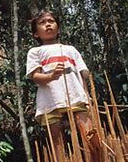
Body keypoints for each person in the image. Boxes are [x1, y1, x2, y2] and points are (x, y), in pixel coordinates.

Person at [26, 10, 93, 154]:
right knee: (57, 141)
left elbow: (81, 75)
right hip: (50, 100)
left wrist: (87, 97)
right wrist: (52, 76)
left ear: (58, 28)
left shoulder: (70, 50)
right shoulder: (35, 52)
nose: (48, 25)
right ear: (36, 34)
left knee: (90, 135)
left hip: (76, 96)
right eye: (42, 23)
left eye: (51, 21)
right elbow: (35, 76)